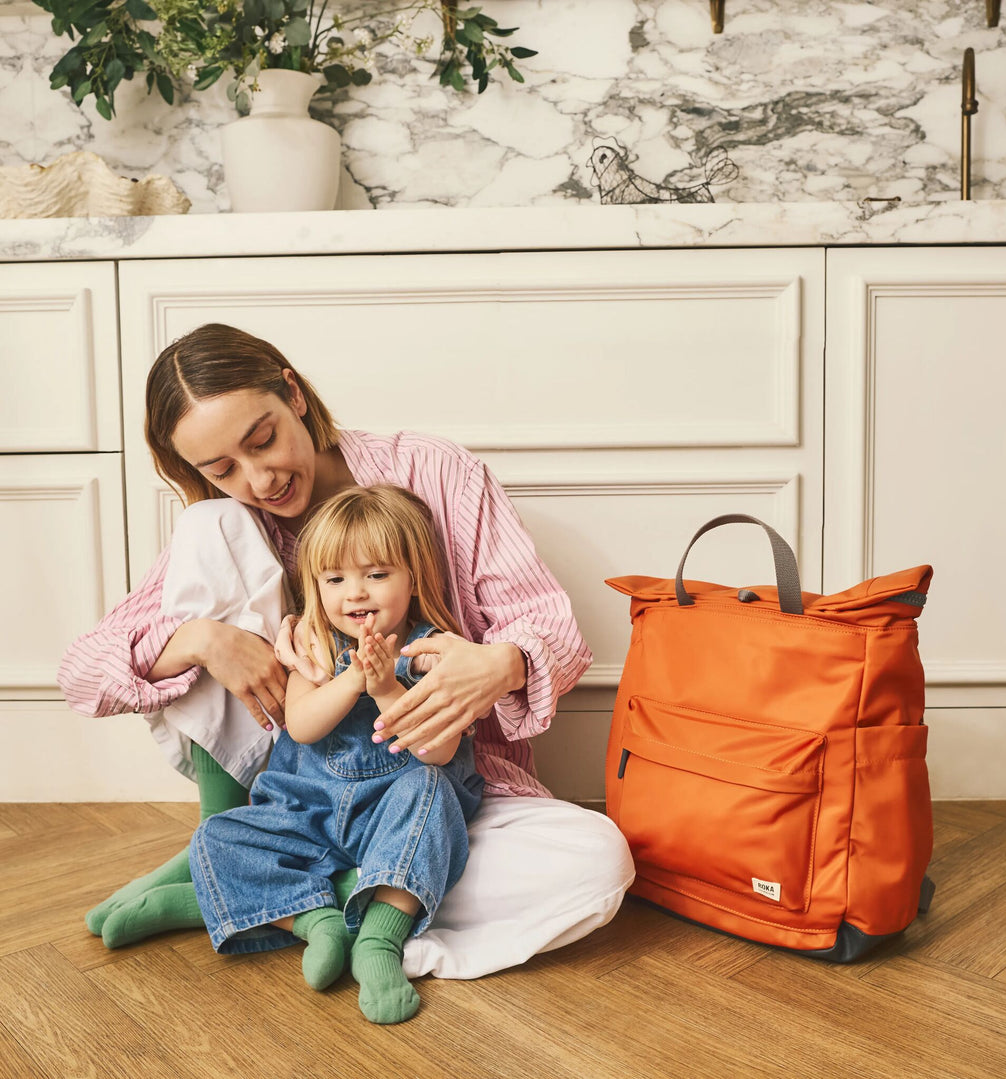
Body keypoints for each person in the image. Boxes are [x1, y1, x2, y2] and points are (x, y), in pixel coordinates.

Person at [57, 322, 634, 981]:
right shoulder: (229, 520)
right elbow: (83, 671)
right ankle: (294, 874)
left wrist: (500, 663)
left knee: (599, 860)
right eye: (222, 468)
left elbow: (552, 627)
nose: (259, 476)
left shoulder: (434, 471)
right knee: (207, 525)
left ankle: (260, 894)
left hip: (429, 795)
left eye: (263, 438)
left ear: (293, 394)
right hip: (296, 798)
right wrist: (203, 640)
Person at [191, 485, 484, 1023]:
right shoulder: (314, 647)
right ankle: (313, 921)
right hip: (310, 810)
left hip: (391, 812)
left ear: (412, 577)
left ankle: (379, 942)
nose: (356, 594)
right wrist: (353, 679)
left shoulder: (431, 650)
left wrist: (388, 689)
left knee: (431, 791)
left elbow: (438, 751)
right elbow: (301, 726)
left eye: (376, 574)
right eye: (335, 579)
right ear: (316, 586)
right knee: (215, 836)